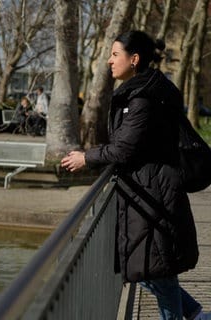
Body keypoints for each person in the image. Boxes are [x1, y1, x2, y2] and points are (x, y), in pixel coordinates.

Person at [61, 30, 210, 320]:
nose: (109, 60)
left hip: (153, 194)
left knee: (156, 269)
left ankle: (189, 315)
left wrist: (85, 158)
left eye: (115, 54)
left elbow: (123, 149)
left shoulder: (143, 98)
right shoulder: (148, 90)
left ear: (135, 59)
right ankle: (194, 314)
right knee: (148, 268)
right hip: (148, 190)